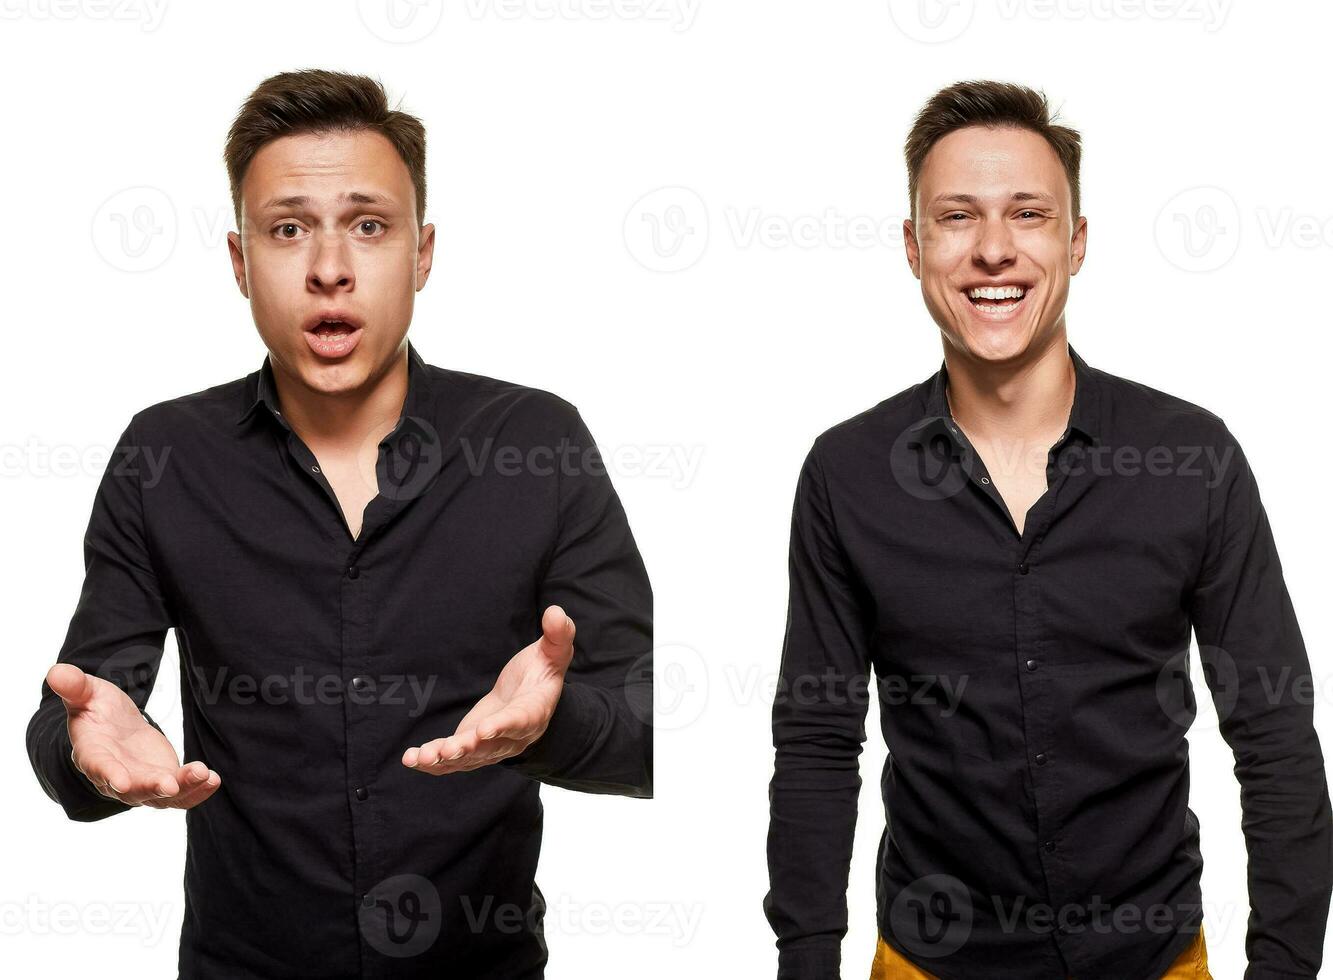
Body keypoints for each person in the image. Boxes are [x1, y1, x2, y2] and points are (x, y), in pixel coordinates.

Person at [26, 68, 652, 979]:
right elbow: (81, 713)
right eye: (288, 230)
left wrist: (548, 725)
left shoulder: (536, 441)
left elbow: (651, 725)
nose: (329, 267)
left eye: (369, 225)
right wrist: (86, 754)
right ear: (240, 261)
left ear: (422, 252)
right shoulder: (164, 455)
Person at [763, 79, 1331, 980]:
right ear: (913, 249)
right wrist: (805, 961)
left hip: (1153, 960)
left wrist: (1284, 968)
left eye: (1027, 214)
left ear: (1074, 242)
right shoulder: (847, 475)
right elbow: (818, 743)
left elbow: (1272, 735)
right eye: (957, 217)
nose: (994, 250)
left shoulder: (1191, 457)